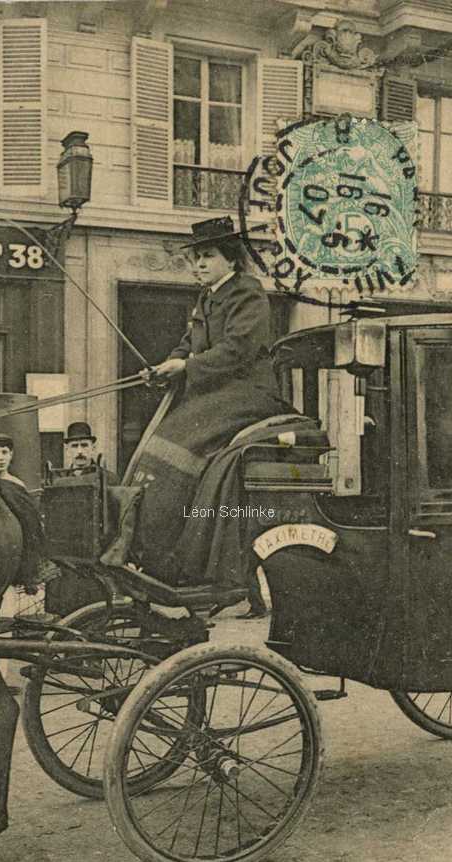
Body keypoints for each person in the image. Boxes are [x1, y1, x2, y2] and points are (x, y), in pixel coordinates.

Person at [106, 216, 304, 589]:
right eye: (196, 257)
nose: (198, 264)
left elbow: (239, 348)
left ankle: (179, 551)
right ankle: (151, 543)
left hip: (248, 393)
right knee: (161, 442)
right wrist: (167, 366)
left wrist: (187, 367)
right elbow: (188, 344)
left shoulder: (247, 292)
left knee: (181, 440)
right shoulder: (207, 297)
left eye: (207, 256)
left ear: (231, 259)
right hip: (214, 393)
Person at [0, 432, 57, 591]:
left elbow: (30, 524)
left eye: (5, 452)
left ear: (11, 455)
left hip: (13, 546)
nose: (1, 458)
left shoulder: (17, 485)